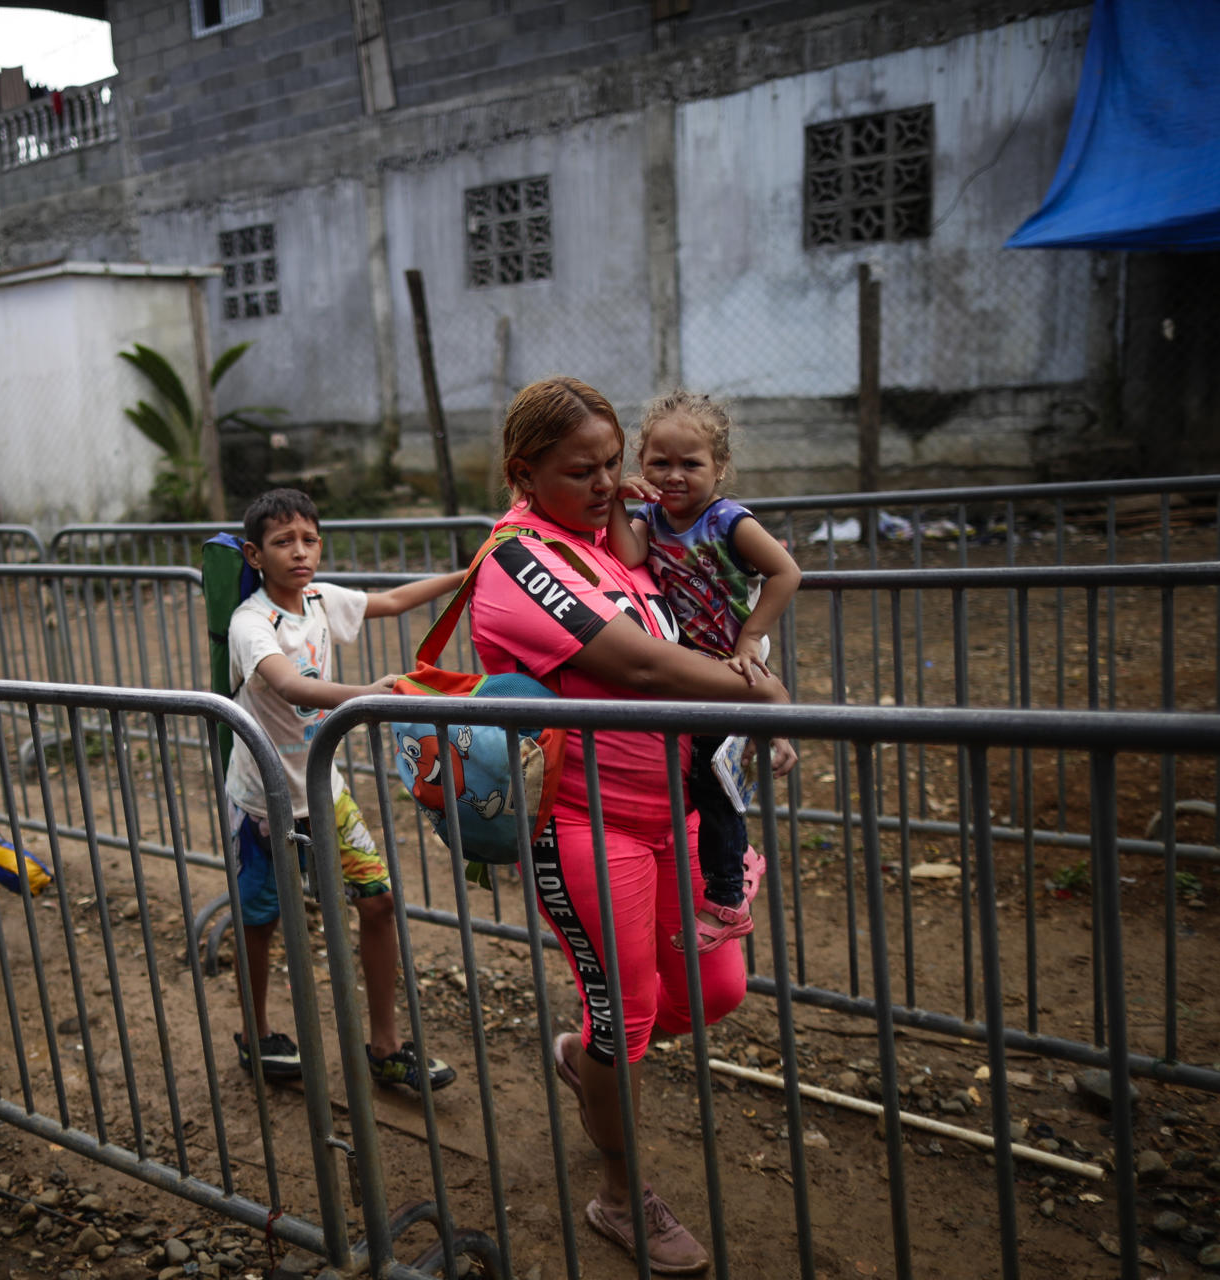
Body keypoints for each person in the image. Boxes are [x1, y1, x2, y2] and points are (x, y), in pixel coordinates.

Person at [466, 377, 797, 1273]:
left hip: (675, 810)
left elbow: (699, 617)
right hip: (587, 823)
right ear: (523, 473)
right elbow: (642, 667)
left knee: (716, 988)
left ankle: (586, 1057)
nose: (610, 482)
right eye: (584, 471)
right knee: (631, 1014)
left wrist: (747, 665)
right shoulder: (520, 556)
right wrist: (760, 695)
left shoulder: (612, 542)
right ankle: (621, 1194)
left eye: (616, 462)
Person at [225, 487, 467, 1091]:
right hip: (263, 801)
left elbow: (392, 600)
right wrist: (369, 693)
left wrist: (466, 575)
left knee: (378, 902)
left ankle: (384, 1047)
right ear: (255, 554)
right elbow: (290, 687)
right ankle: (257, 1038)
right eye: (283, 542)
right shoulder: (251, 622)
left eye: (309, 539)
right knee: (260, 920)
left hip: (321, 787)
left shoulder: (319, 599)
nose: (299, 552)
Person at [604, 390, 803, 953]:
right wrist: (620, 500)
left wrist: (751, 636)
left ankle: (728, 901)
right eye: (658, 463)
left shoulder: (728, 521)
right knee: (705, 777)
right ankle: (739, 853)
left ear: (719, 468)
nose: (673, 476)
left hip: (733, 665)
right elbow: (628, 557)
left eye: (690, 464)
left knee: (714, 786)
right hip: (692, 671)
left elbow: (786, 573)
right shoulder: (652, 520)